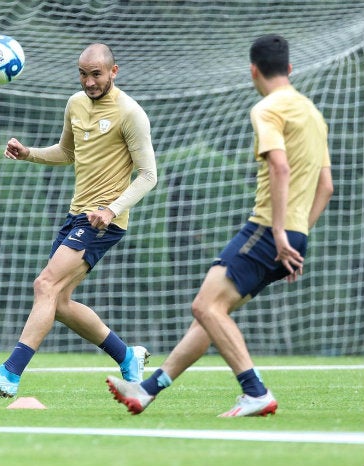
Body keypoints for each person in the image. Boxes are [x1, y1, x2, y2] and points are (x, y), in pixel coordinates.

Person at [106, 34, 333, 417]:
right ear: (290, 69)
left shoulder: (267, 108)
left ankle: (255, 391)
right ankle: (147, 389)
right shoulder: (311, 112)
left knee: (205, 307)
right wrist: (297, 235)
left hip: (267, 229)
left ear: (253, 70)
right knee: (214, 312)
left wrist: (278, 233)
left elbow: (279, 166)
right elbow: (325, 186)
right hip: (294, 234)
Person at [0, 43, 158, 397]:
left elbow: (148, 175)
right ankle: (127, 356)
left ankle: (10, 373)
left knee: (45, 286)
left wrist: (111, 209)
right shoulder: (75, 104)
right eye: (83, 74)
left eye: (96, 74)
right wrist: (29, 154)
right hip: (77, 215)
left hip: (103, 221)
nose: (88, 81)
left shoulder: (131, 113)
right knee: (60, 302)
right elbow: (67, 152)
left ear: (114, 71)